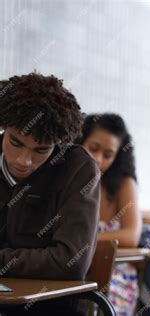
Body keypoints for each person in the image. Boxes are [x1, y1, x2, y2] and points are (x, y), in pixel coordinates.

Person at [0, 73, 100, 315]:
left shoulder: (78, 168)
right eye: (16, 143)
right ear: (4, 127)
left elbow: (70, 262)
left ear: (59, 143)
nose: (24, 160)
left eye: (40, 150)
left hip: (51, 309)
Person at [77, 113, 142, 316]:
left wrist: (81, 242)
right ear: (80, 142)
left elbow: (131, 236)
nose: (98, 159)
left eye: (108, 155)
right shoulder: (67, 178)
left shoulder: (123, 184)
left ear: (118, 157)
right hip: (73, 270)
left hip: (116, 275)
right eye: (93, 148)